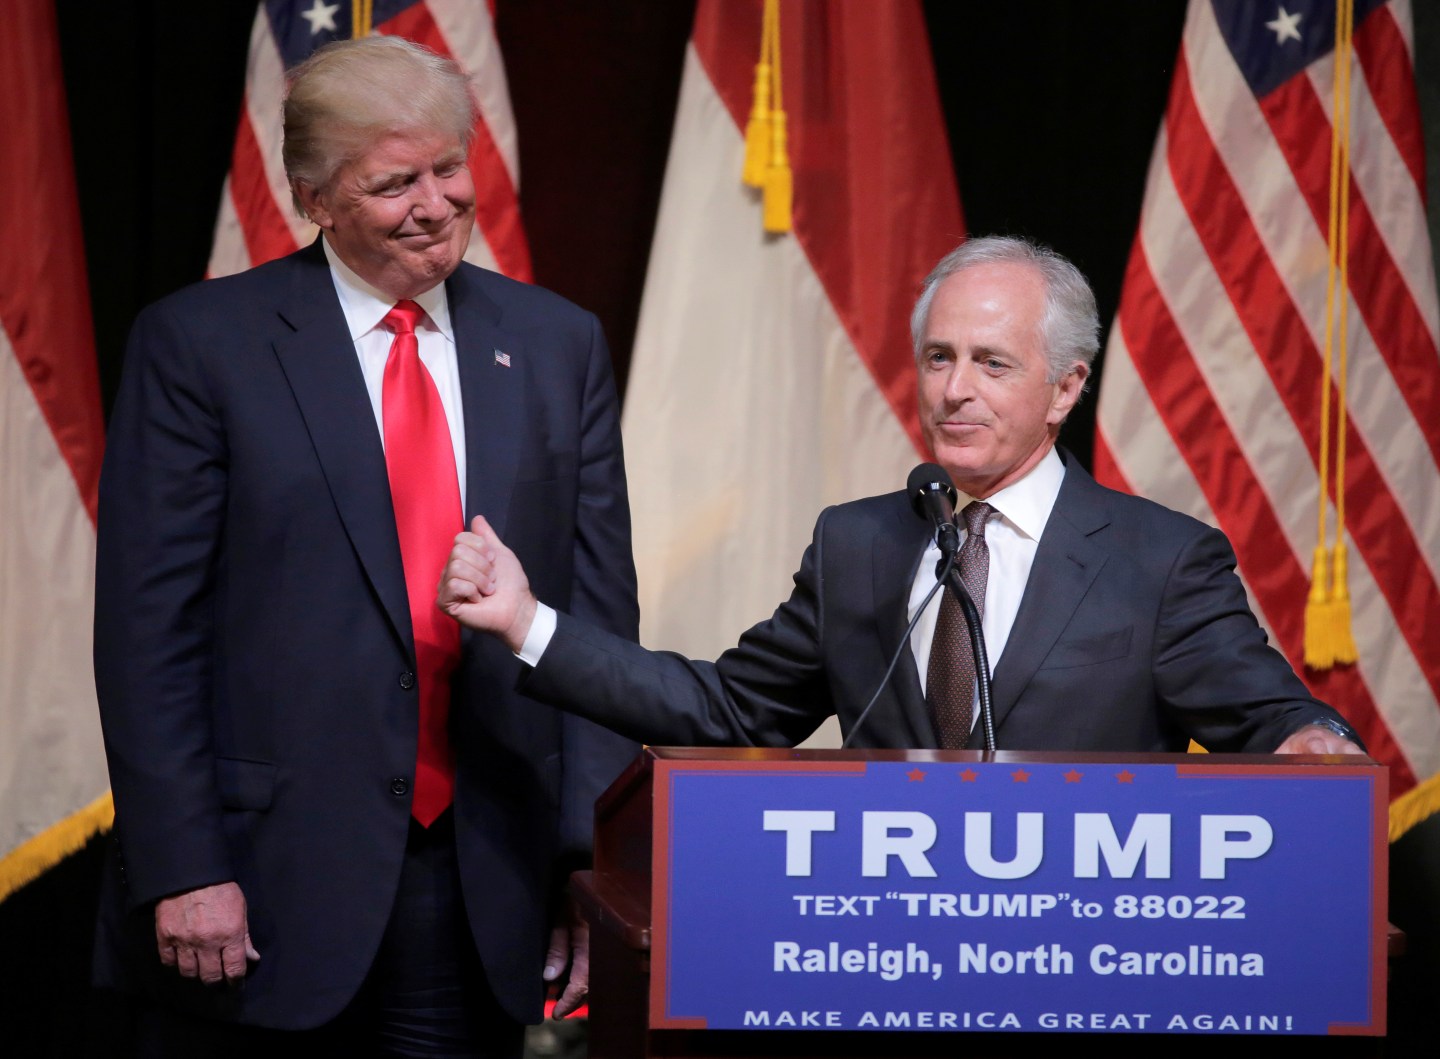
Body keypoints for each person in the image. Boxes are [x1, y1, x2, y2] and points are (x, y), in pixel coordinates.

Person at [91, 35, 638, 1057]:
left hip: (482, 878)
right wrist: (182, 864)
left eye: (446, 169)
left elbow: (595, 620)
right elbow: (146, 633)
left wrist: (590, 866)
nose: (435, 203)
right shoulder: (202, 347)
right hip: (259, 879)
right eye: (394, 182)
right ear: (316, 198)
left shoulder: (557, 343)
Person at [437, 235, 1363, 759]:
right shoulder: (861, 544)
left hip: (1079, 970)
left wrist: (1315, 738)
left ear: (1067, 389)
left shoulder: (1159, 561)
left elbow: (1271, 719)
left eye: (993, 364)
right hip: (886, 967)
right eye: (938, 357)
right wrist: (528, 622)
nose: (953, 389)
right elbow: (728, 711)